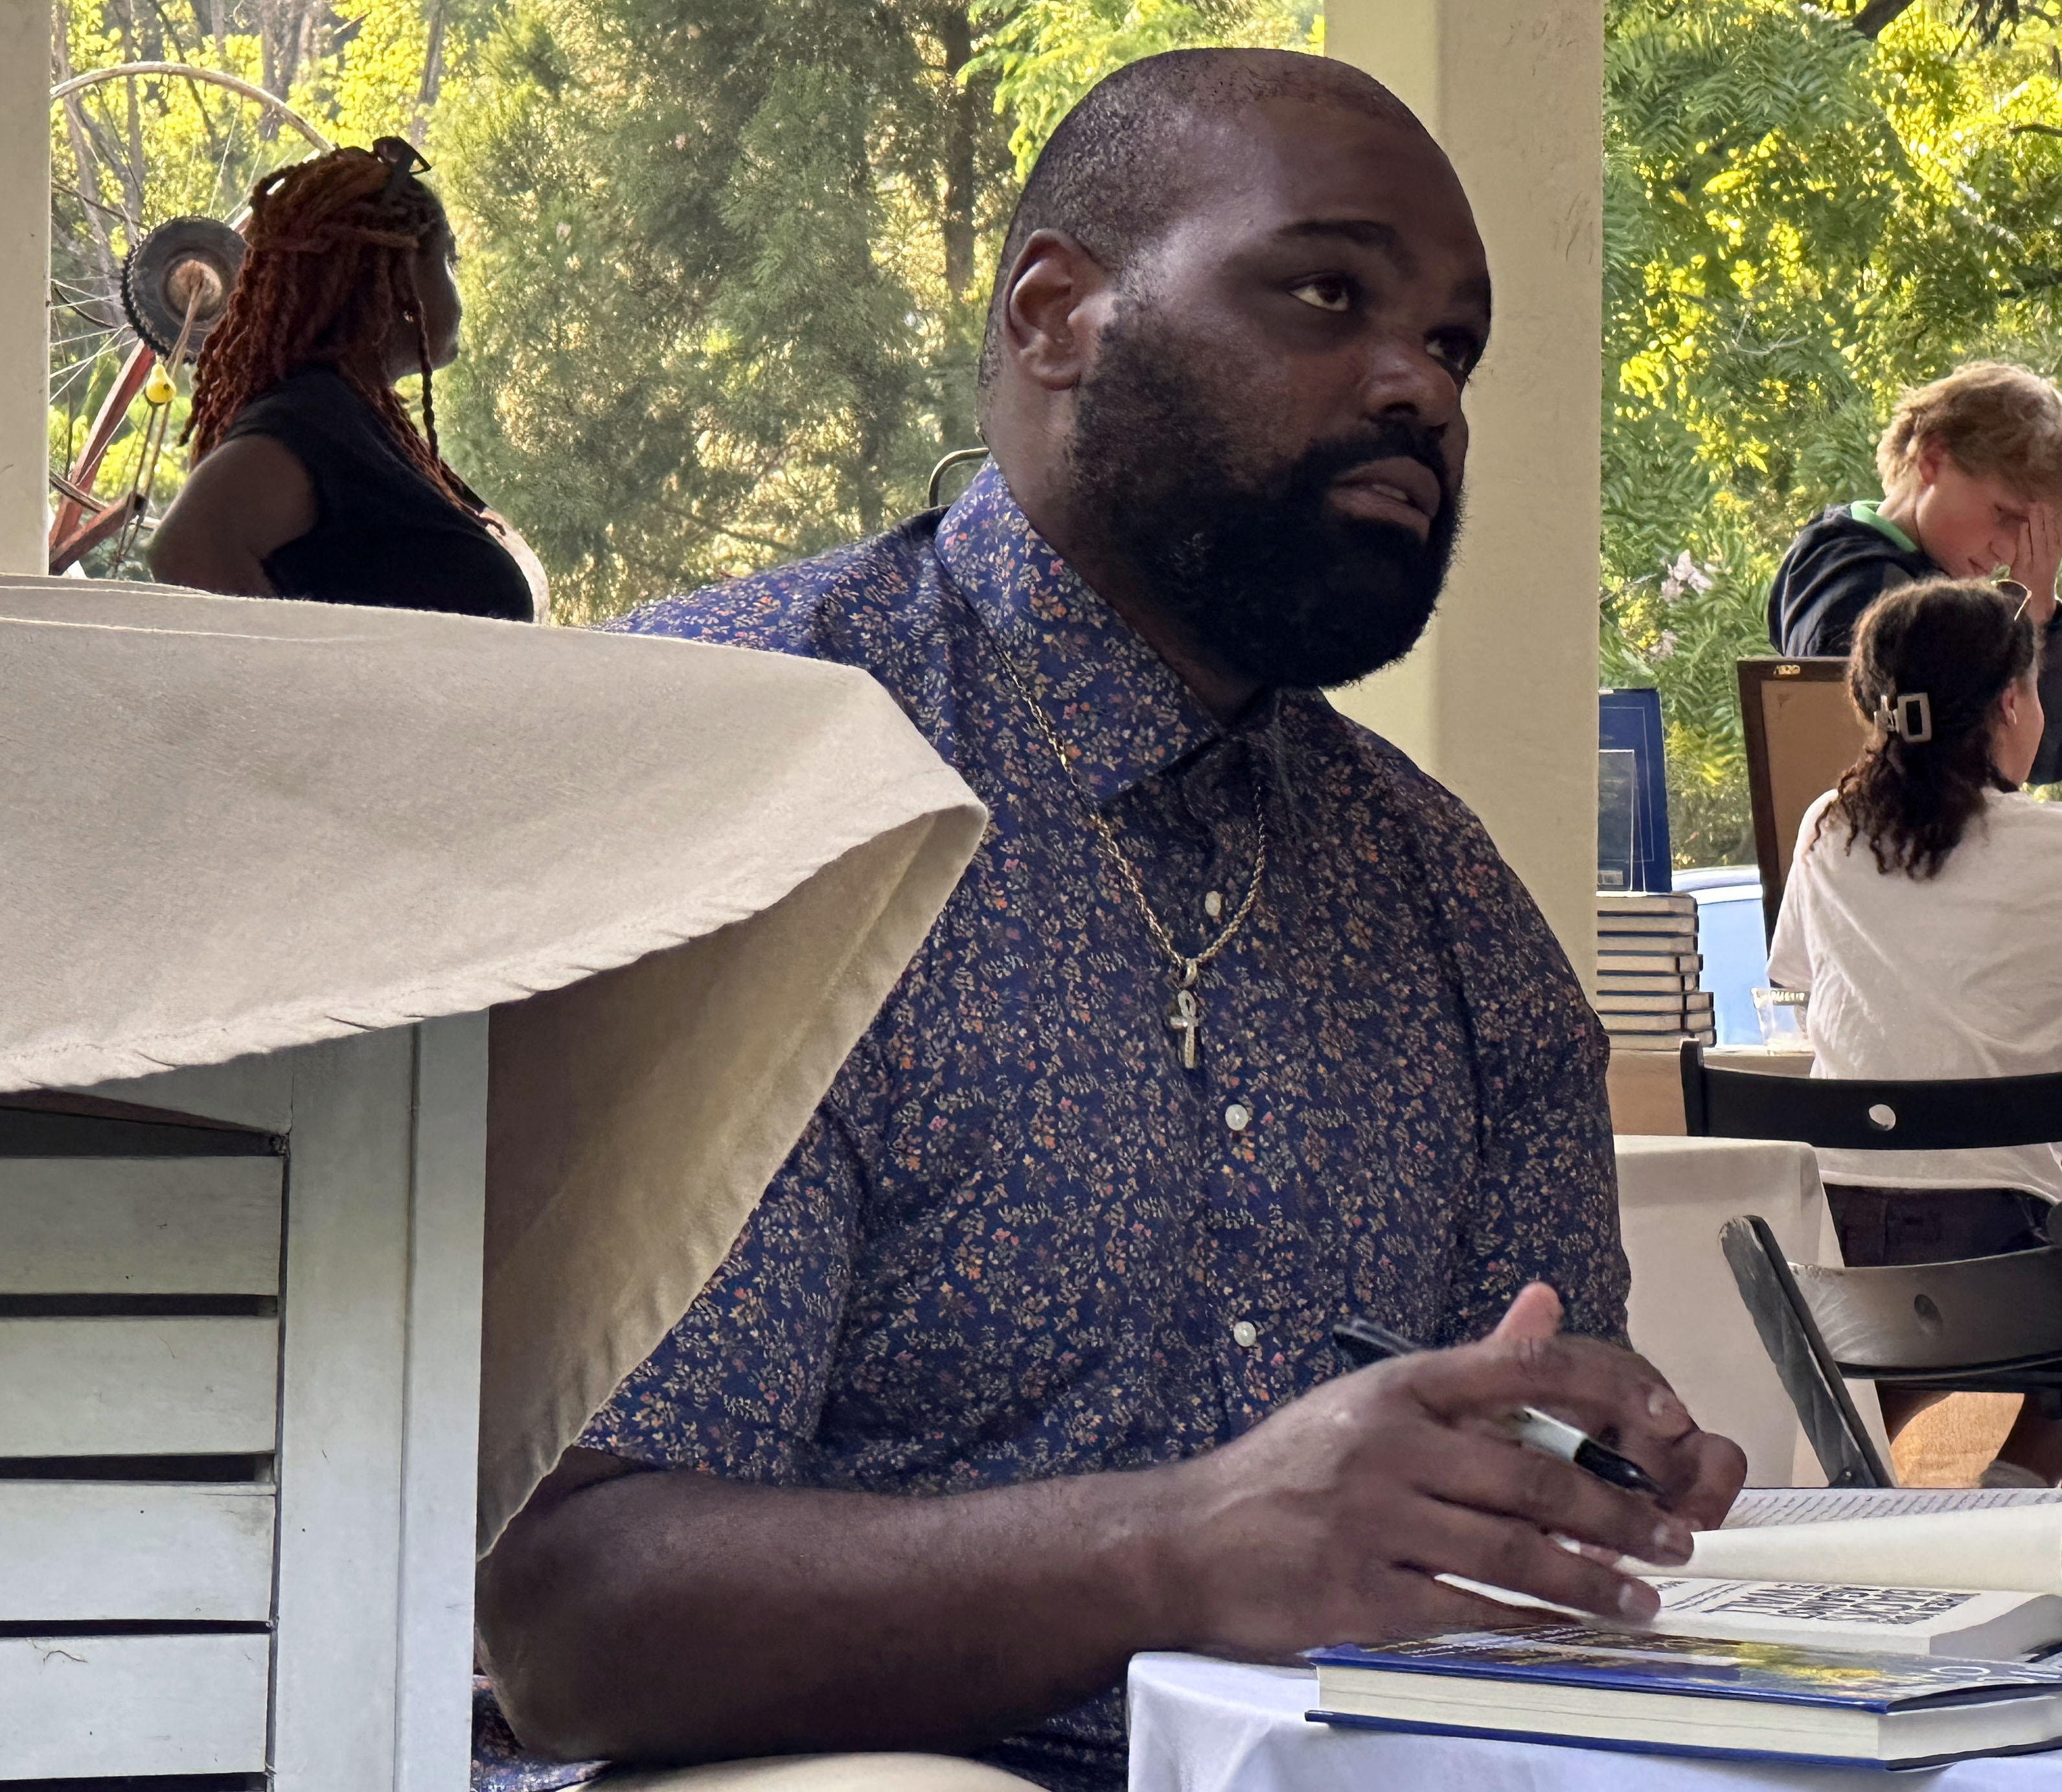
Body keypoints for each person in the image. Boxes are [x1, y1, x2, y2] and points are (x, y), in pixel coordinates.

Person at [473, 50, 1743, 1792]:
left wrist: (1569, 1473)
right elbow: (563, 1620)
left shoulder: (1450, 903)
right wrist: (1184, 1543)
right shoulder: (743, 775)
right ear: (1058, 311)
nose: (1420, 391)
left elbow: (1509, 1500)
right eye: (1327, 291)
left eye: (1453, 345)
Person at [1769, 578, 2062, 1486]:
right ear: (2010, 702)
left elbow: (1807, 986)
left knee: (1904, 1339)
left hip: (1830, 1247)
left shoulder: (1826, 827)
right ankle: (2010, 1502)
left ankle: (1864, 1494)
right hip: (1999, 1255)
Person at [147, 137, 547, 621]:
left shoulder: (355, 420)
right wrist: (308, 681)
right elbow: (185, 546)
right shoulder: (311, 420)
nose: (458, 284)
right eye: (449, 261)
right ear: (401, 280)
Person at [1767, 362, 2062, 787]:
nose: (2008, 552)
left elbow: (2043, 758)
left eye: (2032, 537)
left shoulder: (1919, 576)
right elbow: (1951, 766)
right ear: (1932, 460)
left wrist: (2036, 612)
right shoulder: (1854, 585)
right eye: (2003, 514)